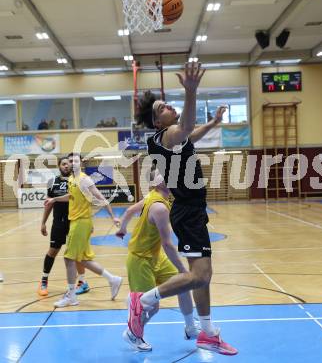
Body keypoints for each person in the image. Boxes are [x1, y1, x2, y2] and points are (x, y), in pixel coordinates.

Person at [129, 62, 237, 355]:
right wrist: (191, 91)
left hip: (192, 210)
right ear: (158, 122)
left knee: (203, 274)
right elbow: (187, 128)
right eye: (163, 106)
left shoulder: (171, 139)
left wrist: (213, 123)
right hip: (187, 212)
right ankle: (146, 300)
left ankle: (207, 331)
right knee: (200, 275)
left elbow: (192, 134)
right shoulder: (164, 137)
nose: (169, 107)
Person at [116, 168, 200, 352]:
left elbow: (130, 210)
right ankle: (133, 334)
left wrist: (122, 228)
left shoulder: (154, 196)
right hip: (140, 259)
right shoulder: (159, 207)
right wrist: (183, 269)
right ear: (156, 183)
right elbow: (168, 244)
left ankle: (190, 328)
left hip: (156, 256)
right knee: (152, 308)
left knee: (182, 285)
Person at [45, 152, 122, 308]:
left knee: (69, 258)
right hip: (76, 222)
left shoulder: (85, 180)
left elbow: (102, 198)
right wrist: (54, 199)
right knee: (83, 260)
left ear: (81, 163)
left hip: (80, 223)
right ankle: (113, 279)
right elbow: (71, 196)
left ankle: (71, 296)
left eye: (75, 161)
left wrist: (113, 217)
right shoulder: (72, 179)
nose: (72, 163)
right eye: (70, 161)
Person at [38, 157, 89, 297]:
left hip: (75, 221)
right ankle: (44, 280)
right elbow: (49, 204)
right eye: (64, 164)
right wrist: (43, 222)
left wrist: (88, 223)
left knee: (77, 253)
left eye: (69, 164)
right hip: (59, 222)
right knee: (53, 250)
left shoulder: (78, 180)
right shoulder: (52, 182)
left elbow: (86, 202)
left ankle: (82, 282)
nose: (67, 166)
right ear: (59, 166)